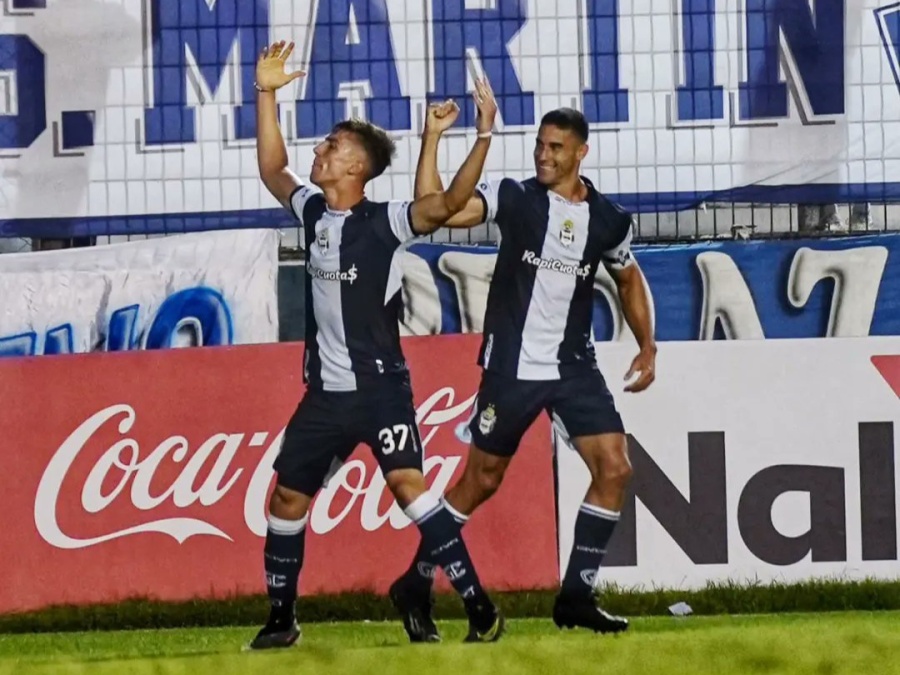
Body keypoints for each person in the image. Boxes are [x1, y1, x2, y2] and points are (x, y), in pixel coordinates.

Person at [249, 40, 504, 649]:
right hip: (325, 397)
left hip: (381, 389)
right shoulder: (312, 212)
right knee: (284, 499)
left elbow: (442, 205)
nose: (318, 151)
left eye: (331, 147)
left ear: (356, 168)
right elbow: (271, 170)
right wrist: (266, 94)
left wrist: (472, 138)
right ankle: (282, 621)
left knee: (407, 489)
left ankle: (479, 607)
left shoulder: (383, 222)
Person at [389, 106, 657, 641]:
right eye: (540, 144)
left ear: (582, 152)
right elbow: (437, 209)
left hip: (572, 367)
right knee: (480, 481)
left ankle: (577, 595)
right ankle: (416, 581)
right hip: (511, 367)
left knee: (615, 467)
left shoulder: (608, 219)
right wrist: (434, 140)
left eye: (556, 147)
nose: (544, 154)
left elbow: (628, 278)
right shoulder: (515, 199)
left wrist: (648, 345)